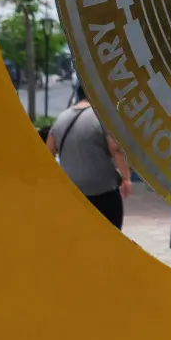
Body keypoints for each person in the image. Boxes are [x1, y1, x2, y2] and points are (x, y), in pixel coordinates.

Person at [46, 81, 132, 229]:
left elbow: (48, 153)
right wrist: (126, 178)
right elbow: (115, 149)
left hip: (71, 193)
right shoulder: (102, 117)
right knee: (108, 239)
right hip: (103, 192)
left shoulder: (61, 119)